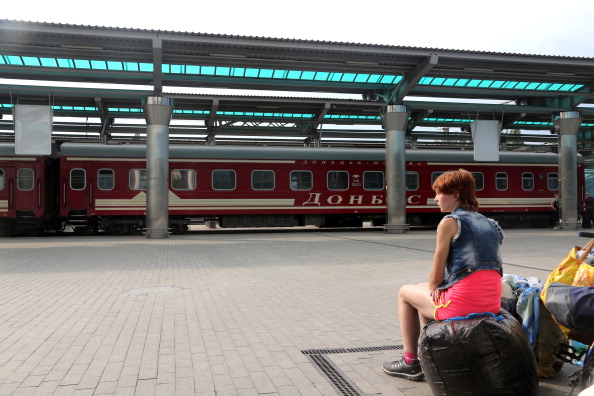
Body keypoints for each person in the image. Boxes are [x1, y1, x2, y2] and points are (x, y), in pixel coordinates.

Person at [382, 168, 504, 381]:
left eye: (439, 193)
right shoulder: (490, 223)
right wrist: (433, 288)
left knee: (405, 293)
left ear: (456, 194)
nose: (435, 198)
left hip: (465, 304)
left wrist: (434, 287)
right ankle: (434, 354)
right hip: (491, 303)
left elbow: (436, 276)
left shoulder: (450, 222)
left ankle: (411, 362)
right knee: (423, 291)